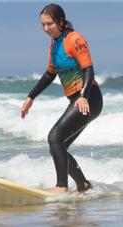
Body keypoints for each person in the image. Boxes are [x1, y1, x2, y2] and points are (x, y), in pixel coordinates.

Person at [21, 3, 103, 194]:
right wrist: (30, 97)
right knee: (58, 147)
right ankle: (83, 184)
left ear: (60, 21)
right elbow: (50, 74)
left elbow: (88, 69)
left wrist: (83, 96)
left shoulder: (74, 39)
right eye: (42, 25)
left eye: (49, 24)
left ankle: (61, 187)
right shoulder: (54, 44)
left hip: (89, 98)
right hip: (77, 99)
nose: (45, 28)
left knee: (54, 137)